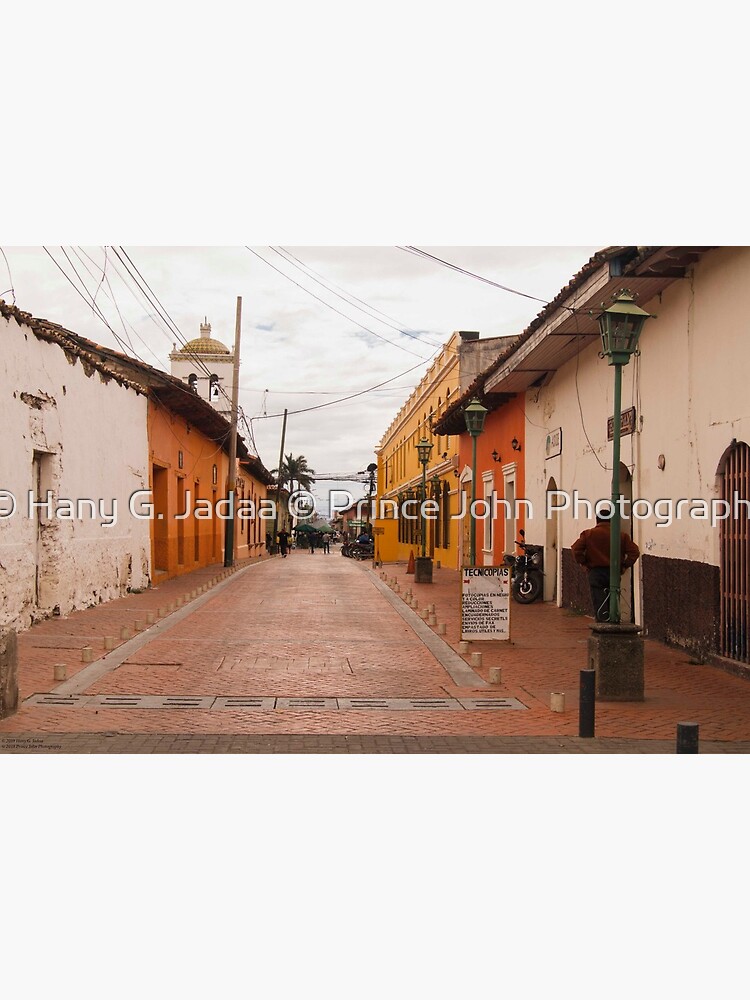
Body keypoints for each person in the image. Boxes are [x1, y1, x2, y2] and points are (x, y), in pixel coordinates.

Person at [571, 508, 640, 622]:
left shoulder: (588, 534)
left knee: (599, 599)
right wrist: (624, 566)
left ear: (597, 520)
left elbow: (576, 550)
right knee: (613, 598)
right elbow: (634, 552)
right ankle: (614, 621)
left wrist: (584, 563)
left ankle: (602, 624)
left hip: (596, 571)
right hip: (614, 571)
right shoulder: (621, 536)